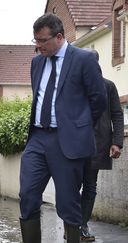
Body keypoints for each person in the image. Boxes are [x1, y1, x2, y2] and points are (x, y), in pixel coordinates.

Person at [19, 13, 107, 243]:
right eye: (35, 41)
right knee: (27, 195)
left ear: (59, 37)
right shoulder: (37, 62)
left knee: (68, 202)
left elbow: (99, 100)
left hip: (66, 140)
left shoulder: (83, 60)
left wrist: (78, 125)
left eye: (42, 41)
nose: (38, 47)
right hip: (37, 138)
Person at [79, 48, 124, 242]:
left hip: (99, 144)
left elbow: (117, 113)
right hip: (75, 144)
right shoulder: (76, 86)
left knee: (90, 186)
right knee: (71, 186)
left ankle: (81, 226)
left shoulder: (108, 86)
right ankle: (72, 224)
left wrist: (117, 142)